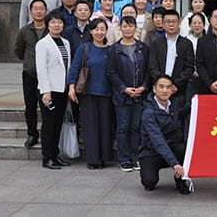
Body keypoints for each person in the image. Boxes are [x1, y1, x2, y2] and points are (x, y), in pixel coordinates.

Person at [67, 18, 113, 169]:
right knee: (90, 126)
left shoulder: (110, 50)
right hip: (88, 93)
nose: (99, 32)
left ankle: (104, 157)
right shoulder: (85, 48)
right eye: (96, 29)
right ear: (91, 31)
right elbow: (75, 68)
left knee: (105, 126)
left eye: (102, 29)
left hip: (106, 93)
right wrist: (71, 87)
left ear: (106, 31)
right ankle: (93, 159)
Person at [107, 16, 150, 172]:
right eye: (124, 26)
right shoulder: (114, 49)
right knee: (123, 127)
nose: (127, 29)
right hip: (122, 96)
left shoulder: (143, 47)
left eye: (130, 26)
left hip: (139, 94)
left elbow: (148, 70)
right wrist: (124, 88)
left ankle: (135, 157)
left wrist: (143, 87)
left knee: (135, 127)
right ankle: (124, 159)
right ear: (120, 28)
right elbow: (111, 72)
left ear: (135, 28)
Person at [139, 75, 191, 194]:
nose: (164, 90)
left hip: (171, 146)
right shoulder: (148, 112)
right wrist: (174, 163)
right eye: (161, 87)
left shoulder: (173, 104)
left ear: (172, 89)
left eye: (168, 87)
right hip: (151, 151)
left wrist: (193, 103)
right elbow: (158, 140)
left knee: (183, 149)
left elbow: (179, 114)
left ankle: (180, 181)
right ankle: (156, 166)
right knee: (149, 182)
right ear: (154, 89)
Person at [35, 10, 71, 169]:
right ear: (48, 25)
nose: (57, 25)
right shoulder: (43, 44)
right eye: (53, 22)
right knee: (49, 124)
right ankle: (47, 157)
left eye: (60, 22)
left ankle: (55, 154)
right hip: (48, 91)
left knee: (58, 124)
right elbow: (41, 69)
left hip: (62, 89)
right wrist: (46, 91)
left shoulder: (65, 42)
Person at [14, 0, 48, 148]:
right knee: (30, 106)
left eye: (41, 9)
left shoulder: (51, 29)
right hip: (30, 74)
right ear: (31, 12)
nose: (39, 11)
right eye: (36, 9)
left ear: (46, 11)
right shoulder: (24, 31)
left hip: (48, 76)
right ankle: (32, 134)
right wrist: (28, 63)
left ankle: (47, 135)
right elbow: (18, 50)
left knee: (47, 106)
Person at [148, 9, 194, 99]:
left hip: (179, 89)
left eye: (174, 21)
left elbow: (189, 68)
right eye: (168, 22)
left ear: (179, 23)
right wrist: (163, 84)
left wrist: (174, 84)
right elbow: (152, 66)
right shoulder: (156, 43)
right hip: (159, 90)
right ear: (163, 24)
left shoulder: (186, 43)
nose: (171, 24)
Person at [62, 0, 93, 68]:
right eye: (80, 10)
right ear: (75, 13)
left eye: (86, 10)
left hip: (91, 65)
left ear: (90, 13)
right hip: (74, 65)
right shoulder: (69, 31)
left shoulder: (94, 29)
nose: (83, 12)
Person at [185, 13, 206, 101]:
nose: (197, 25)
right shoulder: (186, 40)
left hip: (205, 79)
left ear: (204, 24)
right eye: (194, 23)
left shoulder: (208, 40)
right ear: (190, 25)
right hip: (190, 79)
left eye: (199, 23)